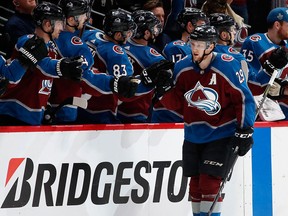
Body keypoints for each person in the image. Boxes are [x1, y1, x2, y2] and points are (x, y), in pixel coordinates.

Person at [158, 25, 255, 216]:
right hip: (193, 134)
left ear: (211, 46)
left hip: (221, 133)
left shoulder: (227, 65)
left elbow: (243, 98)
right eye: (193, 43)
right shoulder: (182, 67)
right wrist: (163, 92)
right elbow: (178, 103)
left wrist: (245, 129)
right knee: (194, 183)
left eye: (200, 45)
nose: (194, 49)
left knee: (209, 183)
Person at [0, 2, 84, 126]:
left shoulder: (52, 47)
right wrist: (61, 67)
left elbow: (44, 81)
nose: (62, 28)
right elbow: (42, 66)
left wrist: (46, 105)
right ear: (48, 24)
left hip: (33, 117)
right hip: (13, 114)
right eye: (60, 23)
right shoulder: (27, 41)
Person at [151, 7, 208, 123]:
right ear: (190, 26)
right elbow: (180, 81)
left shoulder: (198, 49)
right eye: (201, 25)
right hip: (169, 113)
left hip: (185, 110)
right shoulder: (176, 47)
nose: (205, 30)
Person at [118, 9, 167, 123]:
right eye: (153, 28)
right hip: (137, 111)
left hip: (115, 106)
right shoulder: (150, 55)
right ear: (146, 32)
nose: (156, 30)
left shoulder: (119, 44)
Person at [241, 7, 288, 119]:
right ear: (277, 25)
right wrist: (269, 69)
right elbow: (248, 83)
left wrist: (283, 90)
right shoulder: (254, 42)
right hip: (266, 112)